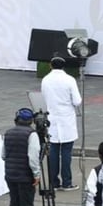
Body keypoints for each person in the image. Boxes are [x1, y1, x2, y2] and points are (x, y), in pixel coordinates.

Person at [41, 55, 82, 190]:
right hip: (66, 119)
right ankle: (67, 181)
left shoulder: (45, 80)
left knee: (53, 151)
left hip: (52, 117)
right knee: (66, 152)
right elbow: (77, 101)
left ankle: (54, 182)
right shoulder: (69, 80)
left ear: (51, 65)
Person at [2, 108, 41, 206]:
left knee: (14, 205)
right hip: (25, 175)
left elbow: (3, 155)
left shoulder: (8, 133)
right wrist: (37, 174)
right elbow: (33, 157)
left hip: (10, 174)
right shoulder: (32, 134)